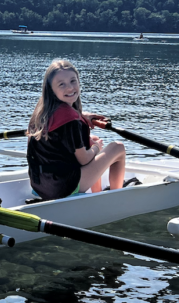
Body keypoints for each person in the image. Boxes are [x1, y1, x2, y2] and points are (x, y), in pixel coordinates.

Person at [27, 59, 126, 201]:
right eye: (62, 84)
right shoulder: (70, 119)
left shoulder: (40, 113)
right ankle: (116, 200)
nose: (70, 88)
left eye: (73, 81)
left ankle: (95, 195)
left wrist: (83, 116)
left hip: (40, 185)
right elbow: (84, 159)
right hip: (62, 187)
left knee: (92, 140)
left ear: (79, 82)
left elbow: (62, 122)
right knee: (118, 148)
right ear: (51, 89)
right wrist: (97, 148)